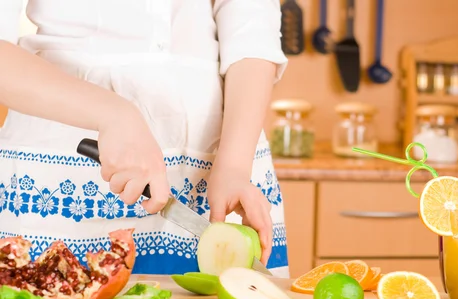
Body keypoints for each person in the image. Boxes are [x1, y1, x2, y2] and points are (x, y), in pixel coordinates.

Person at [0, 1, 290, 277]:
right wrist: (112, 114)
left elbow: (253, 22)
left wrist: (235, 166)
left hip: (224, 169)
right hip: (66, 175)